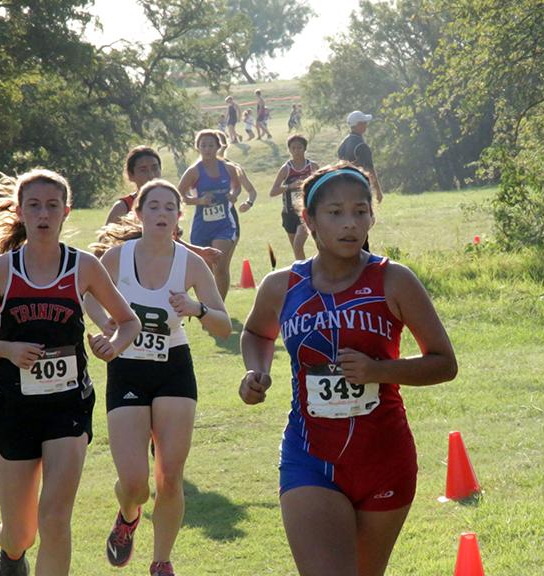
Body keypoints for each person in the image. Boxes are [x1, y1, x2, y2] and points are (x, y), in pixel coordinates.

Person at [239, 163, 457, 576]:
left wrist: (380, 370)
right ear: (310, 221)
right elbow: (255, 332)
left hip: (384, 458)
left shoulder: (394, 280)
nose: (350, 224)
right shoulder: (281, 285)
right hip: (309, 457)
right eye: (335, 212)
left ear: (372, 217)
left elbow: (444, 363)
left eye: (360, 211)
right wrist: (256, 372)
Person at [0, 169, 141, 576]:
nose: (43, 214)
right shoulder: (1, 272)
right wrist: (7, 350)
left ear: (66, 212)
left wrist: (111, 345)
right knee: (20, 532)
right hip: (12, 408)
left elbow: (128, 322)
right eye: (34, 205)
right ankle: (11, 555)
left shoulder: (83, 267)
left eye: (51, 206)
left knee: (55, 518)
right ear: (21, 211)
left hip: (68, 407)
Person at [87, 178, 231, 576]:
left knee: (169, 476)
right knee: (135, 482)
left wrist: (196, 307)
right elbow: (87, 293)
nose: (162, 213)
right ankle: (128, 516)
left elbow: (223, 327)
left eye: (170, 207)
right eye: (154, 206)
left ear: (179, 217)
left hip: (173, 367)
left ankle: (161, 562)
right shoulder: (118, 257)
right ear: (139, 212)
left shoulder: (191, 263)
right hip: (127, 367)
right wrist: (112, 331)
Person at [104, 145, 220, 269]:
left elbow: (173, 240)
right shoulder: (123, 207)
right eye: (143, 170)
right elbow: (104, 244)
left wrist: (199, 251)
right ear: (131, 175)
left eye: (155, 168)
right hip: (129, 272)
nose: (151, 175)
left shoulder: (167, 204)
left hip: (163, 269)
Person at [178, 130, 241, 301]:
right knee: (206, 269)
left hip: (224, 225)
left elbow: (237, 185)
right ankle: (207, 306)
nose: (207, 149)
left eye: (211, 145)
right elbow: (179, 195)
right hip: (202, 227)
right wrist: (199, 201)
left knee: (219, 265)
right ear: (198, 147)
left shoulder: (228, 168)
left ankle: (219, 306)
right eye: (203, 145)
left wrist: (234, 195)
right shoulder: (194, 172)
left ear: (218, 147)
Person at [269, 134, 319, 260]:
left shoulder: (312, 167)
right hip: (289, 213)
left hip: (306, 212)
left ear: (305, 149)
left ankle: (306, 271)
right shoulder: (286, 169)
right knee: (296, 249)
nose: (296, 151)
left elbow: (322, 187)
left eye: (299, 148)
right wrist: (289, 186)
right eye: (293, 148)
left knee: (298, 245)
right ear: (289, 150)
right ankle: (302, 274)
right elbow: (273, 192)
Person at [215, 129, 258, 244]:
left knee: (223, 261)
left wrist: (249, 203)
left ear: (224, 147)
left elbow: (251, 191)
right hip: (205, 222)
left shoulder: (234, 168)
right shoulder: (198, 170)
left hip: (229, 218)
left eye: (215, 146)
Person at [338, 111, 383, 205]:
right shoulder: (361, 145)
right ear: (358, 125)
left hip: (344, 184)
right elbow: (370, 169)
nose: (366, 125)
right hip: (359, 184)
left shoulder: (343, 143)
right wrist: (378, 190)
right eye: (364, 123)